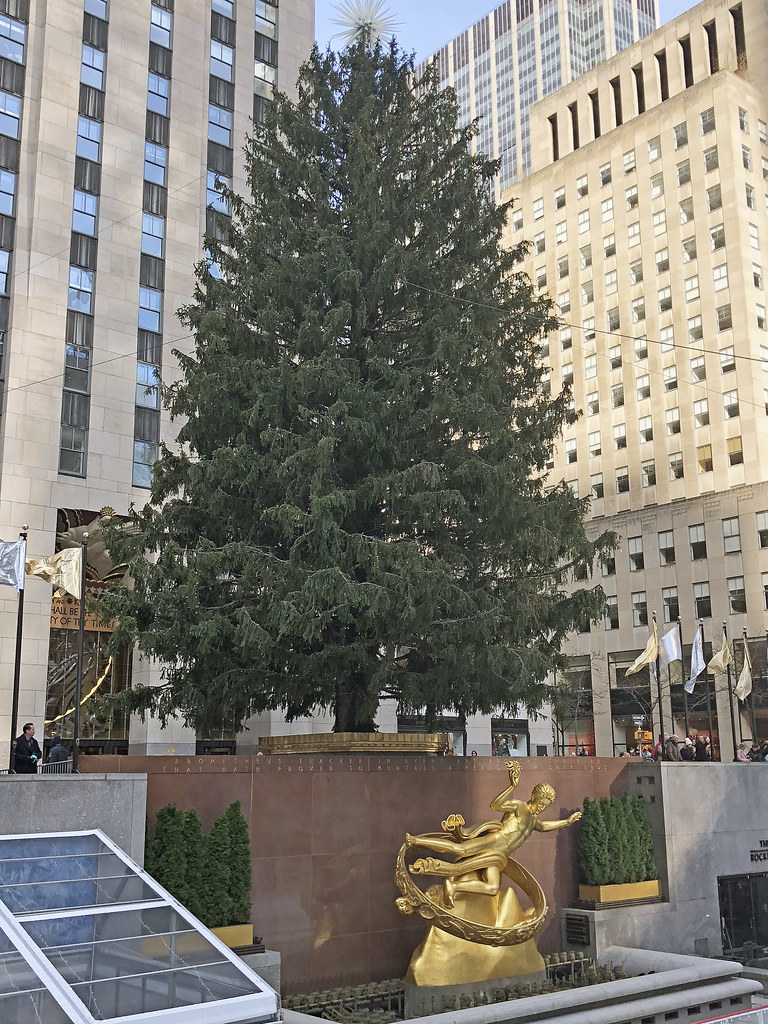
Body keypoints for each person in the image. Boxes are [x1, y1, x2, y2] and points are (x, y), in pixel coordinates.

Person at [407, 760, 580, 908]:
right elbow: (496, 805)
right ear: (535, 796)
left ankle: (454, 887)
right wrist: (512, 786)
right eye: (544, 801)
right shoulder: (520, 807)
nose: (545, 806)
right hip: (495, 841)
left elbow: (544, 826)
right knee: (460, 849)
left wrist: (567, 822)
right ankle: (416, 841)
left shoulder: (534, 821)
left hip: (500, 855)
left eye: (548, 804)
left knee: (492, 887)